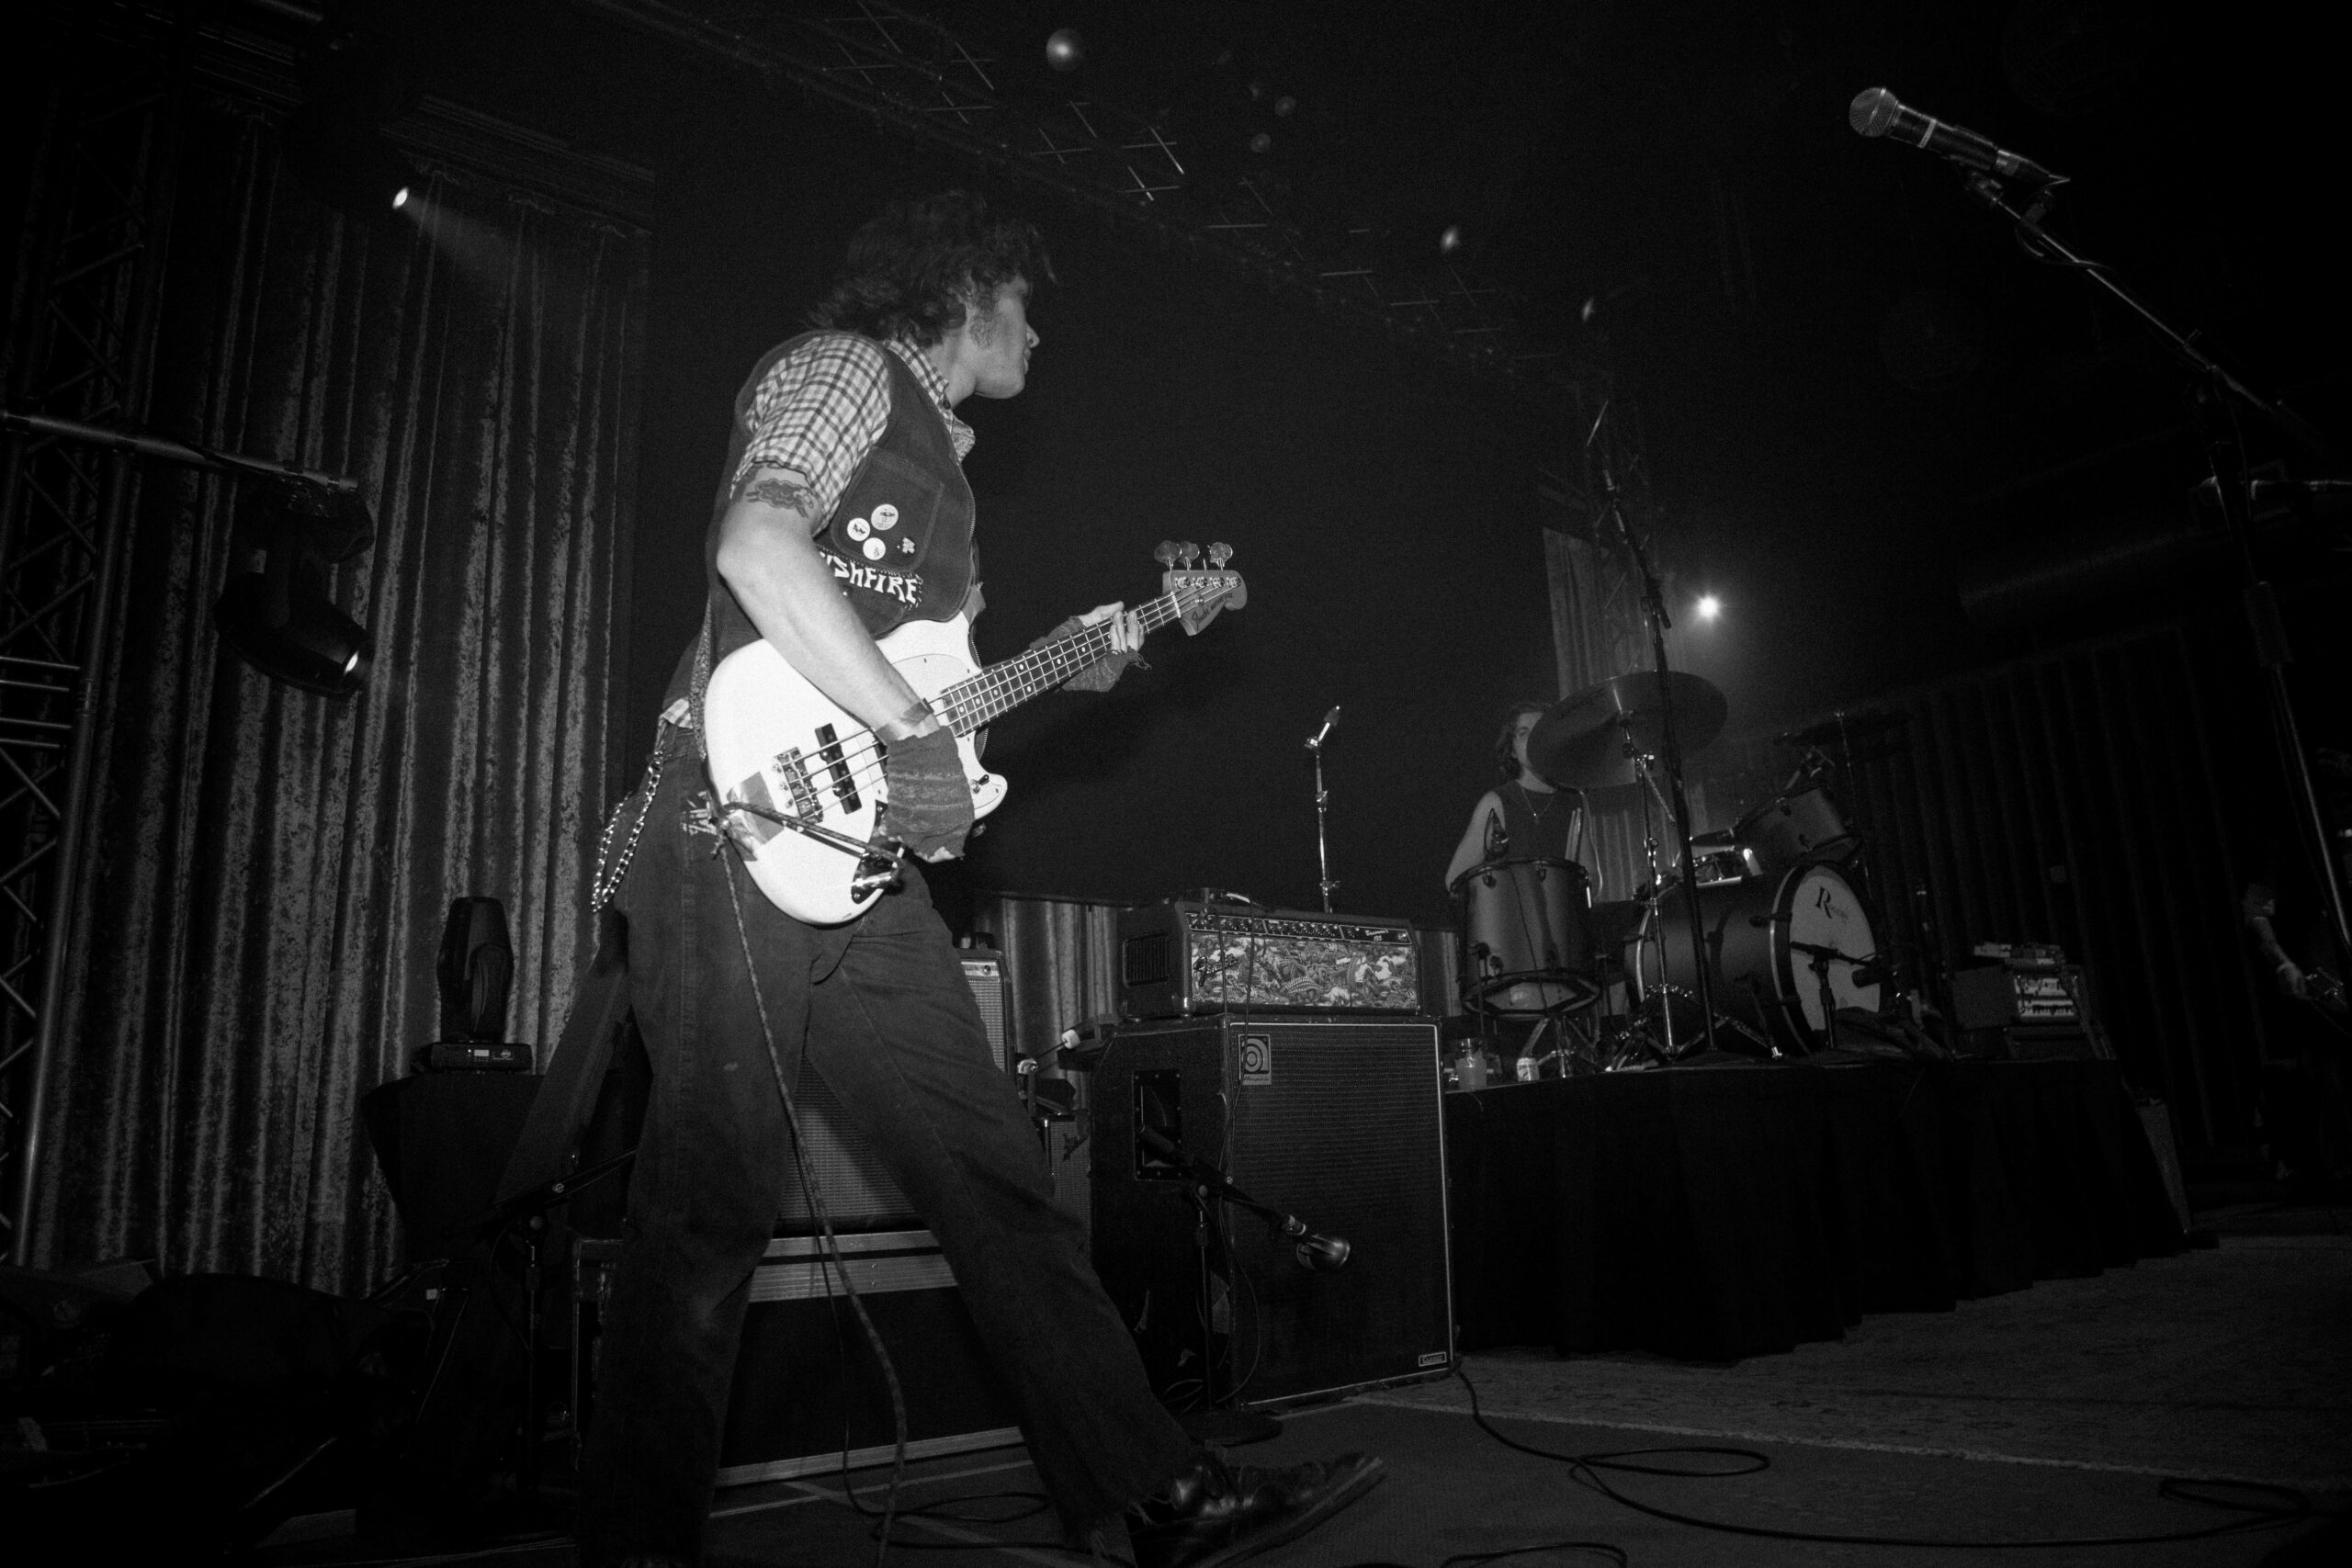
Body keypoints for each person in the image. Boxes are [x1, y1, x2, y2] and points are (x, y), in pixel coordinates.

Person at [575, 192, 1381, 1568]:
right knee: (707, 1209)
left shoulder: (951, 493)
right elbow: (756, 545)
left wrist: (1079, 661)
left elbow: (941, 708)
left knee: (996, 1178)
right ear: (964, 292)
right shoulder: (841, 372)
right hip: (729, 830)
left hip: (859, 869)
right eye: (1024, 304)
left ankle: (1150, 1495)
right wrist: (906, 732)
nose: (1039, 333)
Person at [1443, 699, 1580, 887]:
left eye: (1539, 732)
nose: (1533, 740)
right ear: (1513, 750)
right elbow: (1455, 879)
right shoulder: (1497, 802)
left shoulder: (1575, 801)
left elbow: (1593, 879)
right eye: (1524, 734)